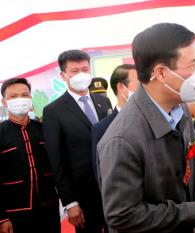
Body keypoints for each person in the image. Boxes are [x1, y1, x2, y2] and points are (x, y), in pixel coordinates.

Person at [97, 23, 195, 233]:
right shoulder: (122, 139)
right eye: (192, 65)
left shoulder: (179, 109)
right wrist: (192, 213)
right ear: (161, 73)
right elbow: (121, 215)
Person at [43, 50, 112, 233]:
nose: (81, 74)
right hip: (83, 196)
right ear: (63, 75)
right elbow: (56, 160)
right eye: (74, 71)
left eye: (85, 69)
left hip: (113, 189)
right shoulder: (53, 111)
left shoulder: (103, 102)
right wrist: (70, 202)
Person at [0, 78, 60, 233]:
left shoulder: (44, 129)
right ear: (4, 102)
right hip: (16, 213)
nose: (20, 99)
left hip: (49, 209)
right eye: (13, 96)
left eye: (25, 95)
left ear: (30, 99)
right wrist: (2, 218)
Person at [91, 64, 139, 180]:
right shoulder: (102, 128)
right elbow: (101, 173)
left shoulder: (153, 119)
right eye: (140, 84)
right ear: (121, 88)